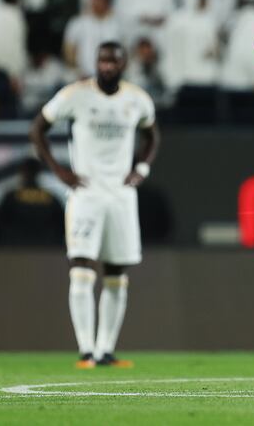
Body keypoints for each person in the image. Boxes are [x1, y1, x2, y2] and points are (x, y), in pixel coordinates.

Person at [30, 41, 159, 368]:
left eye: (113, 61)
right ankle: (86, 350)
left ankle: (106, 351)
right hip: (86, 193)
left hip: (120, 194)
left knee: (117, 270)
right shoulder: (75, 94)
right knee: (81, 266)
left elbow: (152, 135)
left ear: (123, 63)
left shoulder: (137, 99)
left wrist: (141, 169)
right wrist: (59, 170)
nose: (107, 67)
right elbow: (38, 128)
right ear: (96, 62)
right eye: (102, 60)